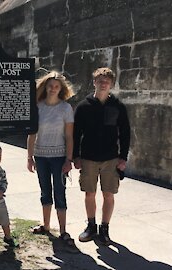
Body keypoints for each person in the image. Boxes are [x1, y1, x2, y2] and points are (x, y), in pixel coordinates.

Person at [72, 67, 131, 245]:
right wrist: (75, 156)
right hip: (88, 157)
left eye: (107, 81)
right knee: (89, 194)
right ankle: (91, 226)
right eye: (100, 80)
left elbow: (125, 133)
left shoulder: (118, 106)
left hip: (111, 158)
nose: (103, 83)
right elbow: (75, 133)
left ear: (112, 84)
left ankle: (104, 229)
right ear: (94, 82)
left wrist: (123, 157)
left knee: (109, 195)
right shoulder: (83, 106)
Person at [26, 71, 76, 248]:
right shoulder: (37, 107)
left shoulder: (66, 109)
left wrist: (68, 160)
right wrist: (29, 157)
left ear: (61, 88)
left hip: (59, 157)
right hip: (41, 157)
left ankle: (63, 231)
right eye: (50, 86)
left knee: (60, 192)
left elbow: (70, 136)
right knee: (45, 191)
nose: (53, 89)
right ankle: (46, 226)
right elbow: (32, 134)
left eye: (57, 86)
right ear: (45, 87)